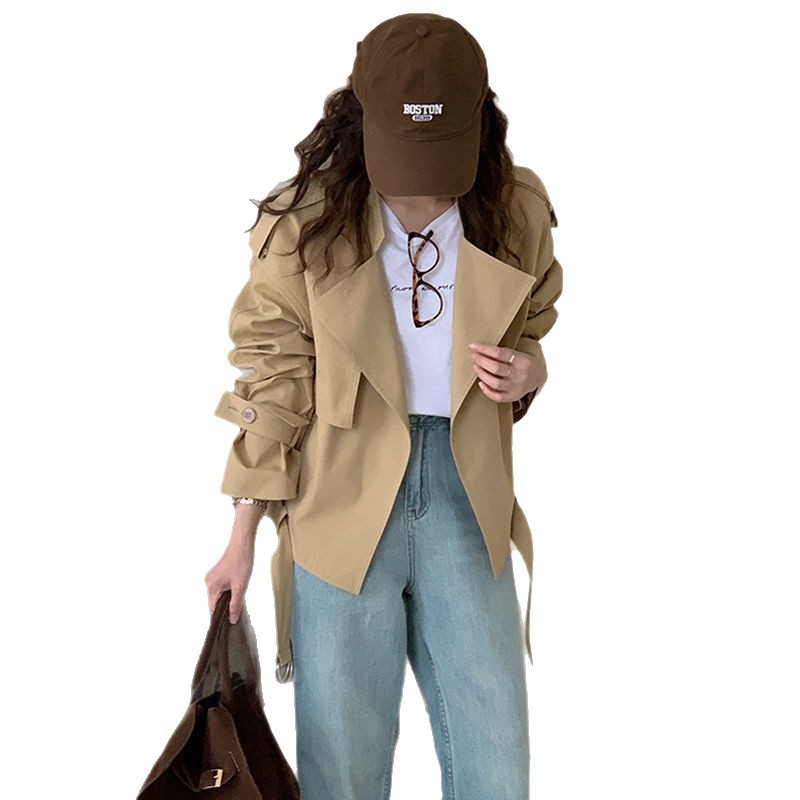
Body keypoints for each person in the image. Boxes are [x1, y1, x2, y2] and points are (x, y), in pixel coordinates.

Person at [205, 12, 563, 800]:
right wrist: (242, 534)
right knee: (342, 772)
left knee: (497, 762)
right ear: (362, 121)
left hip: (468, 495)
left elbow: (536, 320)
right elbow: (273, 374)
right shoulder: (304, 222)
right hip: (338, 496)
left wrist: (528, 371)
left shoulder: (515, 209)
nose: (419, 184)